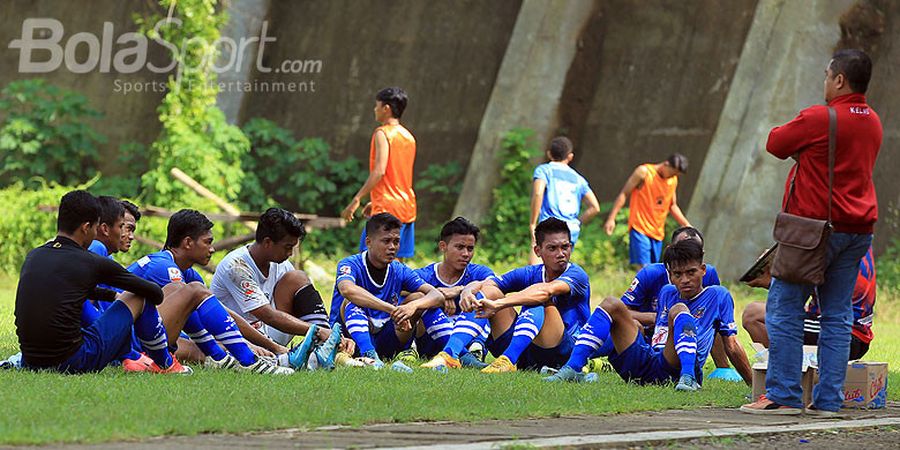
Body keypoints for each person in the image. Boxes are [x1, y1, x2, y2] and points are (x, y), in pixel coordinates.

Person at [741, 49, 881, 416]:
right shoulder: (874, 123)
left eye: (826, 75)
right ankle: (829, 401)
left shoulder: (822, 118)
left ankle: (784, 395)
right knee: (837, 315)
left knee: (784, 306)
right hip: (858, 232)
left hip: (815, 231)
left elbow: (775, 142)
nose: (824, 81)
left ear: (839, 80)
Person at [14, 190, 188, 374]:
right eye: (96, 228)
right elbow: (154, 293)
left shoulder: (34, 255)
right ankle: (166, 364)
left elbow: (68, 289)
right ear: (86, 227)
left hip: (30, 360)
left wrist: (110, 295)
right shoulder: (89, 260)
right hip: (74, 361)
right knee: (139, 297)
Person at [545, 239, 752, 390]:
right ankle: (572, 368)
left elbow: (731, 345)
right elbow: (658, 333)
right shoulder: (667, 292)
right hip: (651, 363)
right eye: (678, 275)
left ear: (703, 270)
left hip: (676, 369)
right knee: (611, 303)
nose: (685, 280)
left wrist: (755, 386)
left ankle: (689, 378)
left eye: (691, 272)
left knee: (679, 309)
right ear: (670, 275)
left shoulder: (718, 295)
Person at [128, 209, 293, 374]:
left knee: (209, 342)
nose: (212, 249)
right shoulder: (163, 267)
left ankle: (239, 356)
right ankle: (244, 360)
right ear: (187, 243)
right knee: (202, 349)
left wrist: (255, 343)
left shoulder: (188, 273)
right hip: (129, 341)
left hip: (142, 335)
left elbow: (219, 311)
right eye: (208, 242)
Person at [211, 207, 352, 368]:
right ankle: (317, 343)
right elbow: (268, 316)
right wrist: (317, 331)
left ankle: (324, 348)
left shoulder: (281, 264)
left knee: (297, 278)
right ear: (267, 243)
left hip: (268, 334)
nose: (291, 253)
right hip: (240, 337)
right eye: (287, 247)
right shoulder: (236, 267)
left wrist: (331, 336)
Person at [460, 218, 590, 373]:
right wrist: (467, 291)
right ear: (537, 251)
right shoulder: (530, 272)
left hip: (563, 352)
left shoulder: (577, 274)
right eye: (552, 248)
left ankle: (509, 357)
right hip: (528, 351)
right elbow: (489, 284)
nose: (560, 254)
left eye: (565, 247)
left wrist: (499, 304)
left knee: (537, 297)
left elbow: (545, 291)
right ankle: (450, 353)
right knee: (492, 292)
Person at [330, 213, 446, 369]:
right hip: (350, 341)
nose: (392, 247)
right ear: (368, 242)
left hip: (387, 340)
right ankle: (369, 354)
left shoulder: (399, 269)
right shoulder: (350, 264)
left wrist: (413, 306)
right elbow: (347, 290)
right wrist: (391, 309)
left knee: (419, 298)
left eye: (396, 242)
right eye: (386, 241)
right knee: (351, 301)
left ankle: (455, 353)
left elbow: (437, 296)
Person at [742, 246, 876, 361]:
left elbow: (792, 298)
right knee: (762, 312)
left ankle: (781, 378)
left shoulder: (827, 248)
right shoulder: (857, 241)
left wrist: (771, 279)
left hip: (842, 333)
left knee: (752, 315)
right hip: (857, 333)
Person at [341, 87, 417, 260]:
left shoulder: (382, 133)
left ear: (386, 108)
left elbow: (380, 171)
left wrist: (358, 198)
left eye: (377, 106)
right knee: (395, 262)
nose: (374, 110)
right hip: (406, 207)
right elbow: (398, 175)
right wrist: (374, 200)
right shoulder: (408, 137)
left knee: (370, 260)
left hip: (387, 208)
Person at [79, 196, 153, 371]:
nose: (129, 236)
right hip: (116, 342)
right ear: (105, 227)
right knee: (188, 292)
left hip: (126, 338)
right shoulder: (96, 248)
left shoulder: (107, 257)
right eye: (124, 227)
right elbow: (81, 301)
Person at [410, 217, 495, 370]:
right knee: (421, 298)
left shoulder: (478, 272)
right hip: (431, 344)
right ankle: (464, 357)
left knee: (483, 297)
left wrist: (462, 290)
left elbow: (495, 284)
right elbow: (400, 287)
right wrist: (437, 295)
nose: (466, 254)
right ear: (443, 246)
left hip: (470, 339)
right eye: (460, 247)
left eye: (470, 248)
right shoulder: (426, 274)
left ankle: (471, 351)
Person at [603, 154, 691, 267]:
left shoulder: (672, 180)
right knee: (645, 270)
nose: (673, 176)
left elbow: (672, 205)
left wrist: (686, 225)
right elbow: (624, 194)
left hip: (657, 233)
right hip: (639, 228)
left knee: (652, 273)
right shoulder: (644, 172)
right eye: (673, 173)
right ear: (666, 164)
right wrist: (611, 218)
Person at [528, 136, 601, 264]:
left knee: (535, 271)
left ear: (549, 154)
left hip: (548, 226)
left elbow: (538, 193)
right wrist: (577, 222)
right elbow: (595, 207)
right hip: (570, 229)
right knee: (559, 270)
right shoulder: (579, 179)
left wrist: (533, 223)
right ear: (570, 157)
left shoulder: (544, 170)